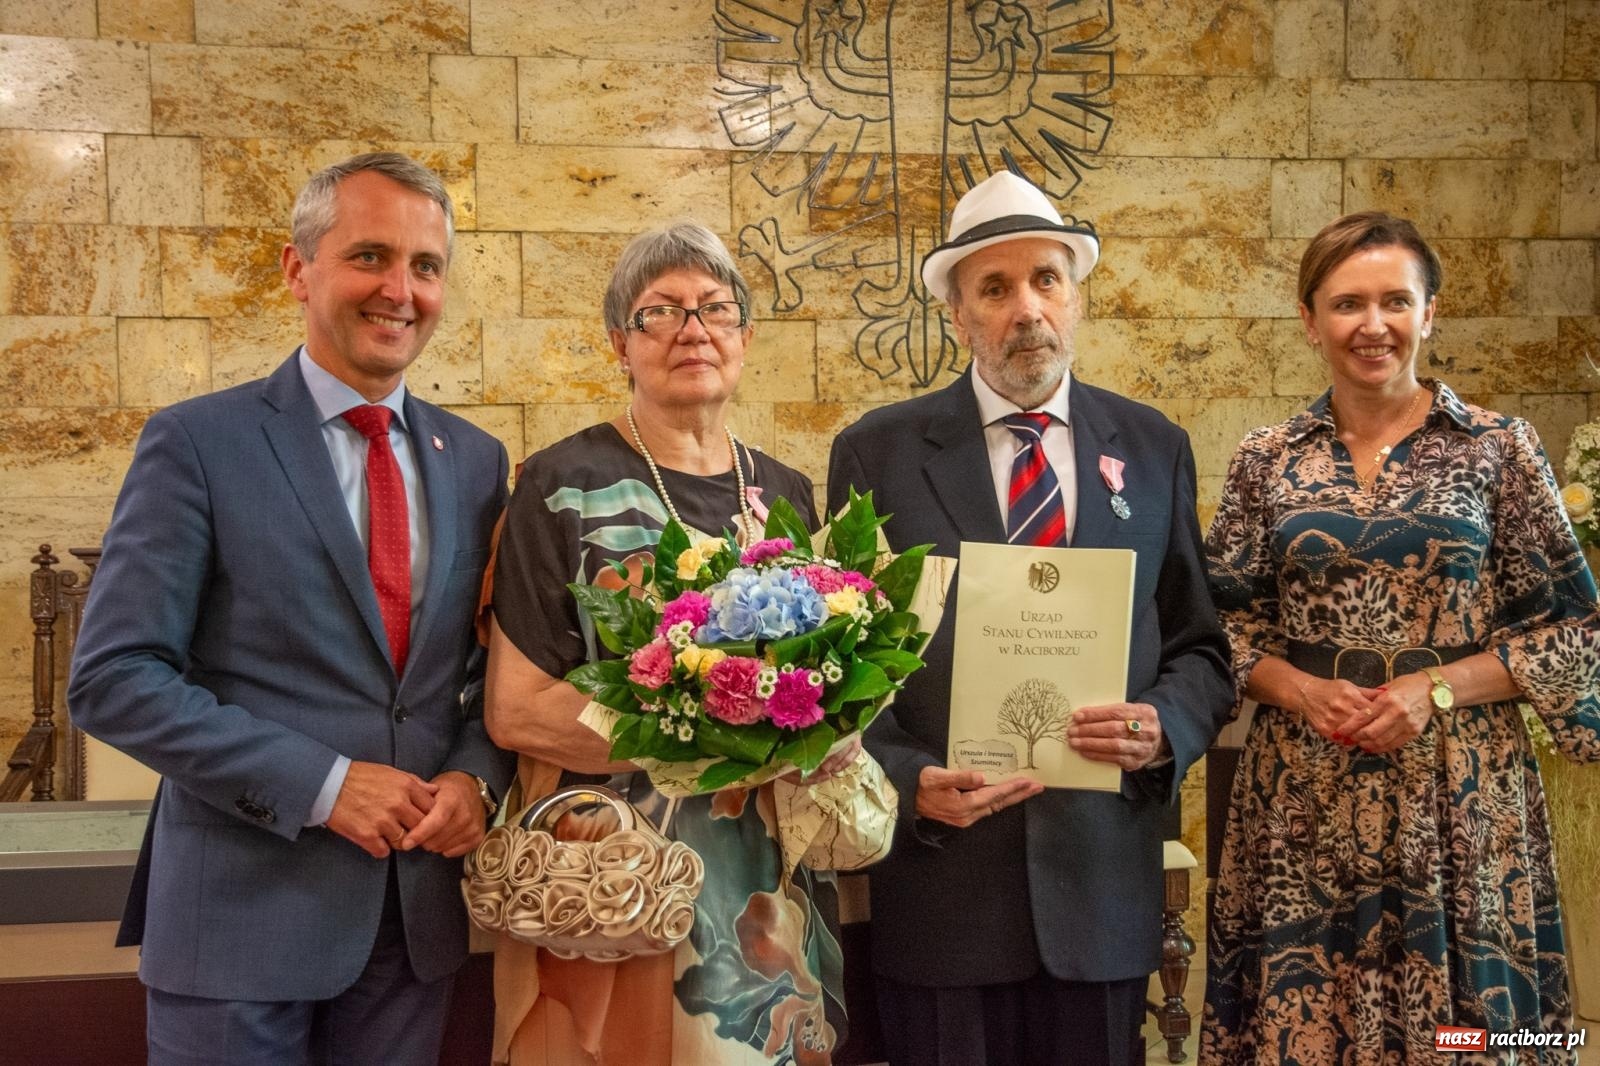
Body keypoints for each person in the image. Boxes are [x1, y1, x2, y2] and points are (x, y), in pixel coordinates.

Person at [69, 152, 514, 1065]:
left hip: (410, 926)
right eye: (370, 257)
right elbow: (114, 678)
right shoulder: (198, 442)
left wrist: (477, 781)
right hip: (239, 925)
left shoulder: (475, 459)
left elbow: (480, 677)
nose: (401, 290)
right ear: (296, 268)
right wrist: (322, 783)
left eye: (426, 267)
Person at [826, 170, 1236, 1066]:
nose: (1026, 308)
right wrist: (904, 777)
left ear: (1077, 296)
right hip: (943, 888)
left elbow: (1200, 648)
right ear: (958, 315)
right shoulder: (877, 453)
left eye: (1046, 279)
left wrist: (1161, 726)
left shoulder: (1154, 446)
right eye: (995, 288)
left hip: (1101, 888)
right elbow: (842, 667)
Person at [1202, 210, 1600, 1063]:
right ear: (1311, 321)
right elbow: (1217, 627)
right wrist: (1298, 688)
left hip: (1462, 794)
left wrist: (1438, 687)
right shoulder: (1265, 459)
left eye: (1395, 301)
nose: (1371, 325)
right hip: (1301, 796)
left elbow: (1578, 629)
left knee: (1469, 1036)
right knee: (1307, 1026)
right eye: (1347, 304)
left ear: (1430, 313)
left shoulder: (1500, 448)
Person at [485, 220, 874, 1065]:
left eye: (714, 308)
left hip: (768, 884)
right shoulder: (563, 487)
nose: (692, 330)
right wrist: (714, 730)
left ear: (744, 335)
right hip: (615, 879)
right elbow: (516, 712)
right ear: (619, 343)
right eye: (660, 312)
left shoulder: (787, 492)